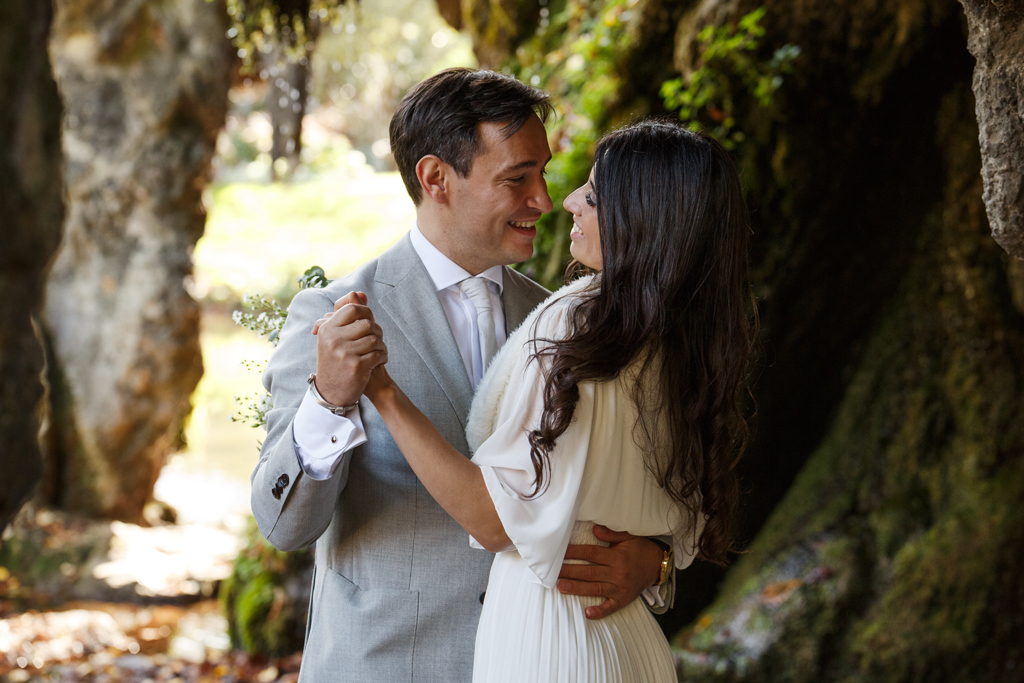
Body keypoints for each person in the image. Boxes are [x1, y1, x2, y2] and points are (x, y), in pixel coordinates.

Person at [250, 69, 670, 683]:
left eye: (544, 172)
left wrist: (655, 563)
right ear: (435, 179)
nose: (545, 201)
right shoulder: (330, 316)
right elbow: (282, 525)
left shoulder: (565, 319)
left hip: (542, 659)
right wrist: (329, 402)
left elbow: (625, 477)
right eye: (516, 178)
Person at [358, 119, 754, 682]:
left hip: (552, 638)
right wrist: (657, 559)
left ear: (641, 218)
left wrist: (382, 390)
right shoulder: (683, 334)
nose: (566, 201)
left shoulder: (579, 322)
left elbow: (496, 523)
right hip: (629, 641)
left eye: (591, 195)